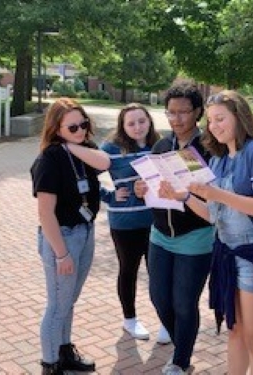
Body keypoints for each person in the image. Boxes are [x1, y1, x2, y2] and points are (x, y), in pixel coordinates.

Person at [158, 90, 253, 375]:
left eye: (221, 118)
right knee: (234, 332)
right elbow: (212, 215)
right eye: (211, 121)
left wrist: (216, 193)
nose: (214, 126)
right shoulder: (218, 158)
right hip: (226, 253)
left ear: (239, 116)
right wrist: (183, 197)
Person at [134, 81, 214, 375]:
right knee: (158, 297)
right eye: (170, 113)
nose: (176, 119)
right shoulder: (161, 146)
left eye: (183, 112)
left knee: (184, 302)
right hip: (160, 235)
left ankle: (181, 360)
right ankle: (183, 341)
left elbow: (212, 195)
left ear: (197, 112)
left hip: (195, 237)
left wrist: (189, 191)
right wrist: (140, 187)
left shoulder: (207, 147)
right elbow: (150, 187)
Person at [30, 97, 111, 375]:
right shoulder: (49, 160)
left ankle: (64, 352)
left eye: (83, 124)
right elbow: (46, 214)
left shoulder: (81, 149)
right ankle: (50, 364)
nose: (80, 130)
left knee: (68, 301)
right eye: (72, 127)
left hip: (85, 232)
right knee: (57, 307)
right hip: (62, 237)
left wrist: (72, 144)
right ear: (56, 128)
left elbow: (105, 162)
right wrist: (61, 253)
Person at [100, 103, 170, 344]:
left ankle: (166, 322)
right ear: (123, 126)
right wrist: (108, 195)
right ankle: (129, 320)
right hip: (125, 223)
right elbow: (84, 174)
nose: (137, 127)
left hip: (156, 222)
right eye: (131, 123)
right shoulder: (111, 148)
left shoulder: (160, 145)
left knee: (158, 274)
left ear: (149, 121)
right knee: (128, 270)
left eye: (142, 121)